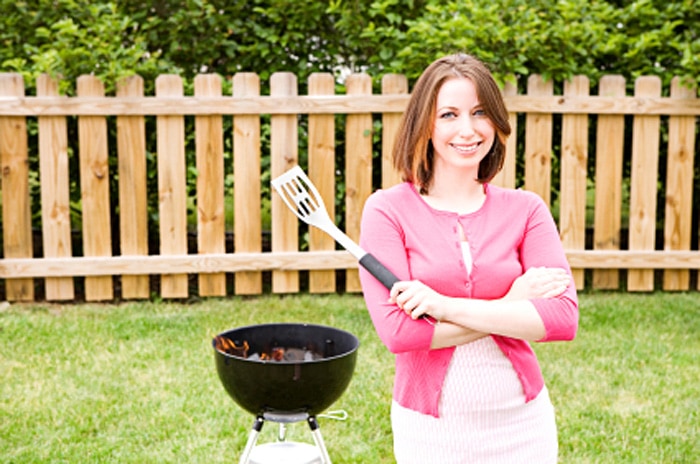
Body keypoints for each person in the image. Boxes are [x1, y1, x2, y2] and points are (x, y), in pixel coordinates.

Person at [358, 53, 579, 463]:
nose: (468, 129)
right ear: (425, 124)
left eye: (480, 112)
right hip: (431, 429)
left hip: (523, 423)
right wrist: (512, 303)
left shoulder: (526, 209)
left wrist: (442, 308)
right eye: (449, 114)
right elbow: (401, 335)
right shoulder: (386, 210)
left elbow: (562, 319)